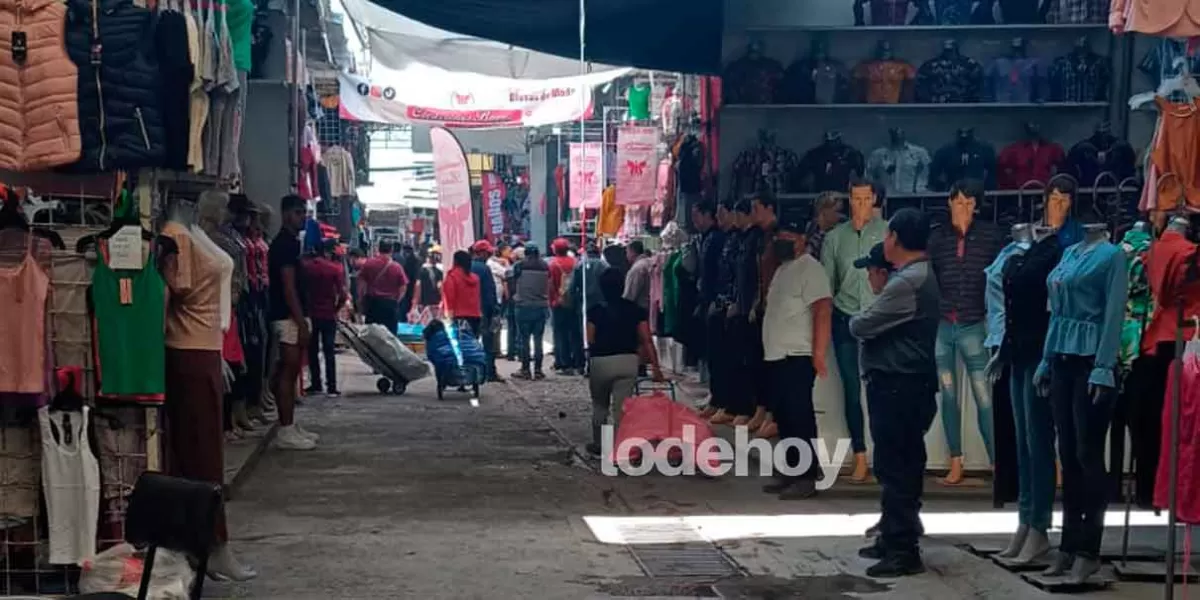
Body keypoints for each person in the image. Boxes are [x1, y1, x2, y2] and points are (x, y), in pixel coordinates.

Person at [849, 209, 939, 578]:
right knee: (895, 463)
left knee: (897, 466)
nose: (884, 241)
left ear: (897, 238)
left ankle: (903, 548)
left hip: (900, 384)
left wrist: (859, 321)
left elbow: (861, 324)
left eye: (887, 235)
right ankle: (892, 534)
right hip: (903, 383)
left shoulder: (907, 283)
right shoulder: (915, 276)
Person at [759, 217, 831, 500]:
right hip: (777, 354)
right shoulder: (783, 268)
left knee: (799, 416)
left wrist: (819, 353)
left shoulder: (811, 269)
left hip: (797, 354)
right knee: (784, 416)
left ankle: (807, 475)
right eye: (779, 237)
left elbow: (823, 310)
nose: (782, 242)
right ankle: (791, 470)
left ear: (802, 238)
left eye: (788, 237)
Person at [585, 268, 664, 456]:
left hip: (601, 362)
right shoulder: (636, 310)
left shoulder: (595, 310)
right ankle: (623, 448)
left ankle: (600, 445)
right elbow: (646, 340)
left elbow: (590, 339)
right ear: (622, 287)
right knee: (622, 409)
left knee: (600, 406)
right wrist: (656, 368)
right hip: (628, 362)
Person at [268, 195, 319, 451]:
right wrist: (300, 322)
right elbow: (288, 288)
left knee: (289, 370)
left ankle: (288, 424)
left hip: (291, 314)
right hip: (287, 316)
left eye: (305, 214)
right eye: (299, 213)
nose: (303, 218)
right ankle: (286, 428)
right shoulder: (284, 246)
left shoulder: (291, 243)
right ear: (286, 214)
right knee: (289, 370)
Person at [303, 238, 347, 397]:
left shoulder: (308, 267)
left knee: (312, 349)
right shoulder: (336, 268)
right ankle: (332, 386)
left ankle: (316, 384)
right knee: (329, 351)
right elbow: (343, 294)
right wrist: (336, 309)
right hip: (328, 313)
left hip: (311, 313)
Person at [510, 243, 551, 380]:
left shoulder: (519, 266)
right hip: (541, 306)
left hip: (523, 306)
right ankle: (538, 370)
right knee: (538, 340)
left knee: (524, 339)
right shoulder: (545, 266)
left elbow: (511, 281)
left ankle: (525, 369)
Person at [357, 240, 408, 333]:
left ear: (378, 248)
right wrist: (396, 301)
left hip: (372, 305)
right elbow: (403, 287)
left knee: (371, 335)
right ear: (391, 250)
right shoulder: (397, 267)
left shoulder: (369, 264)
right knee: (390, 337)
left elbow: (361, 285)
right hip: (390, 306)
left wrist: (361, 300)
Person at [470, 241, 501, 380]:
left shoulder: (467, 266)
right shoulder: (484, 269)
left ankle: (471, 373)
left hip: (468, 311)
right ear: (482, 253)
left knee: (470, 343)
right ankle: (489, 372)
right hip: (483, 311)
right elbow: (489, 292)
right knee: (489, 343)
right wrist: (494, 310)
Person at [548, 237, 579, 374]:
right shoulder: (575, 262)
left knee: (560, 333)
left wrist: (553, 300)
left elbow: (550, 285)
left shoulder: (553, 264)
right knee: (574, 333)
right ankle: (577, 361)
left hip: (558, 303)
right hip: (573, 302)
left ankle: (562, 362)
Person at [443, 250, 483, 335]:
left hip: (459, 316)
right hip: (475, 315)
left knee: (461, 345)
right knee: (472, 344)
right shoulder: (476, 278)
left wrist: (449, 315)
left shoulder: (452, 277)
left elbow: (450, 297)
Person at [622, 240, 652, 311]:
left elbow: (629, 296)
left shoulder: (636, 269)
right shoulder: (650, 262)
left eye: (627, 252)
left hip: (641, 310)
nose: (626, 256)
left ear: (632, 252)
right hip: (654, 309)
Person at [396, 244, 423, 320]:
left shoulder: (402, 260)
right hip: (411, 288)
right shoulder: (417, 260)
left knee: (404, 309)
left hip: (406, 287)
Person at [417, 246, 444, 320]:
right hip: (436, 303)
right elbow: (440, 287)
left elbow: (418, 286)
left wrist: (417, 302)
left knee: (425, 325)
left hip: (424, 303)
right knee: (436, 323)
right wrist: (443, 300)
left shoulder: (422, 270)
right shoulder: (439, 271)